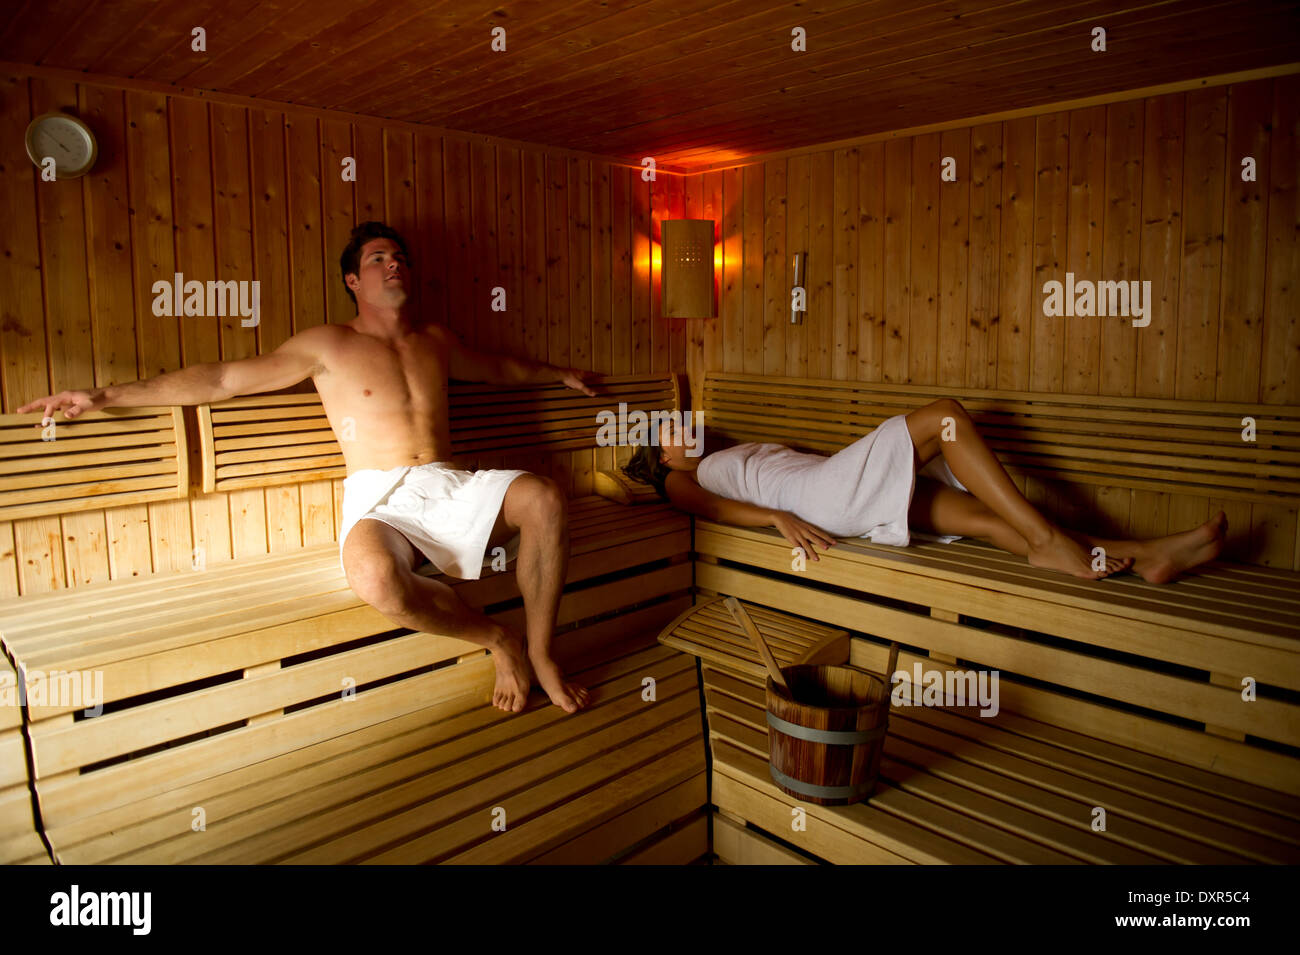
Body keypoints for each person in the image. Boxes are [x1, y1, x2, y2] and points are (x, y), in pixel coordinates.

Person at [18, 221, 599, 715]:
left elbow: (498, 367)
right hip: (381, 495)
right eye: (378, 259)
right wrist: (104, 395)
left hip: (449, 482)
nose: (393, 265)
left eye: (399, 258)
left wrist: (557, 373)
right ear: (354, 281)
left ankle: (544, 654)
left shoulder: (435, 340)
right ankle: (498, 638)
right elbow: (222, 379)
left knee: (544, 497)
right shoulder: (327, 343)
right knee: (375, 578)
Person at [623, 399, 1226, 584]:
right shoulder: (683, 478)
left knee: (987, 520)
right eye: (671, 429)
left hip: (837, 492)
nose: (684, 424)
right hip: (824, 498)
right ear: (665, 456)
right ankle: (1046, 541)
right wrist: (778, 518)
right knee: (946, 418)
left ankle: (1149, 555)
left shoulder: (722, 453)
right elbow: (711, 510)